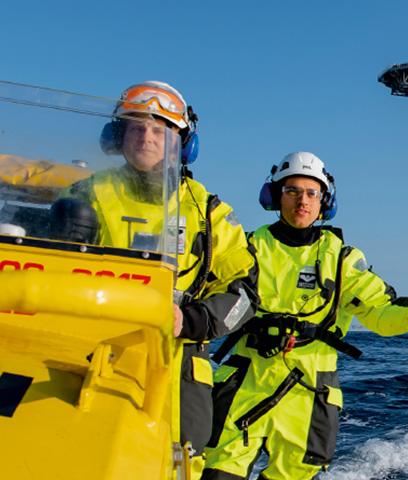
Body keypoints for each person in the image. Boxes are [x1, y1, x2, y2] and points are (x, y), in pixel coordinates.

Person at [203, 152, 408, 480]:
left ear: (325, 201)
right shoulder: (246, 248)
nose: (301, 200)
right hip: (243, 383)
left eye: (311, 193)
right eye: (291, 191)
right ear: (275, 196)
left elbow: (379, 314)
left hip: (310, 393)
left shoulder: (342, 260)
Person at [62, 80, 258, 477]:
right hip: (94, 356)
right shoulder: (85, 195)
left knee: (181, 465)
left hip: (180, 368)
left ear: (182, 143)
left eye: (160, 129)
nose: (146, 137)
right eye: (136, 126)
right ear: (118, 136)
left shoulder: (209, 212)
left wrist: (191, 320)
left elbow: (246, 294)